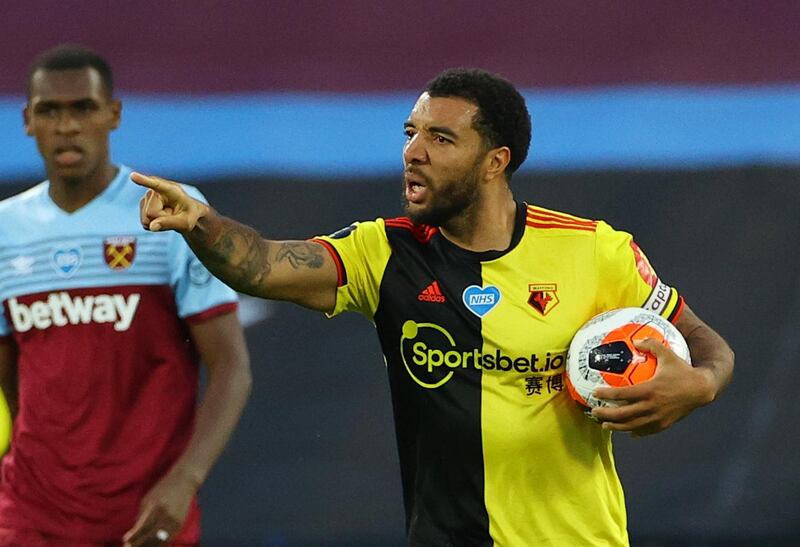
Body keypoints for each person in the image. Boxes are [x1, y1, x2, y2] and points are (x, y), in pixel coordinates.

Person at [135, 68, 734, 546]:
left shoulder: (594, 251)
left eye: (439, 138)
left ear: (495, 161)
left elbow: (707, 344)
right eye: (410, 133)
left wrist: (700, 385)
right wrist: (199, 222)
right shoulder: (383, 252)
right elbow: (261, 264)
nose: (413, 152)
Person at [0, 45, 252, 547]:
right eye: (50, 110)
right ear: (28, 121)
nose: (67, 126)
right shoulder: (5, 231)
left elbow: (230, 367)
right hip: (30, 514)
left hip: (147, 512)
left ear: (112, 115)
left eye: (83, 108)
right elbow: (11, 377)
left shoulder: (171, 211)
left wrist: (186, 479)